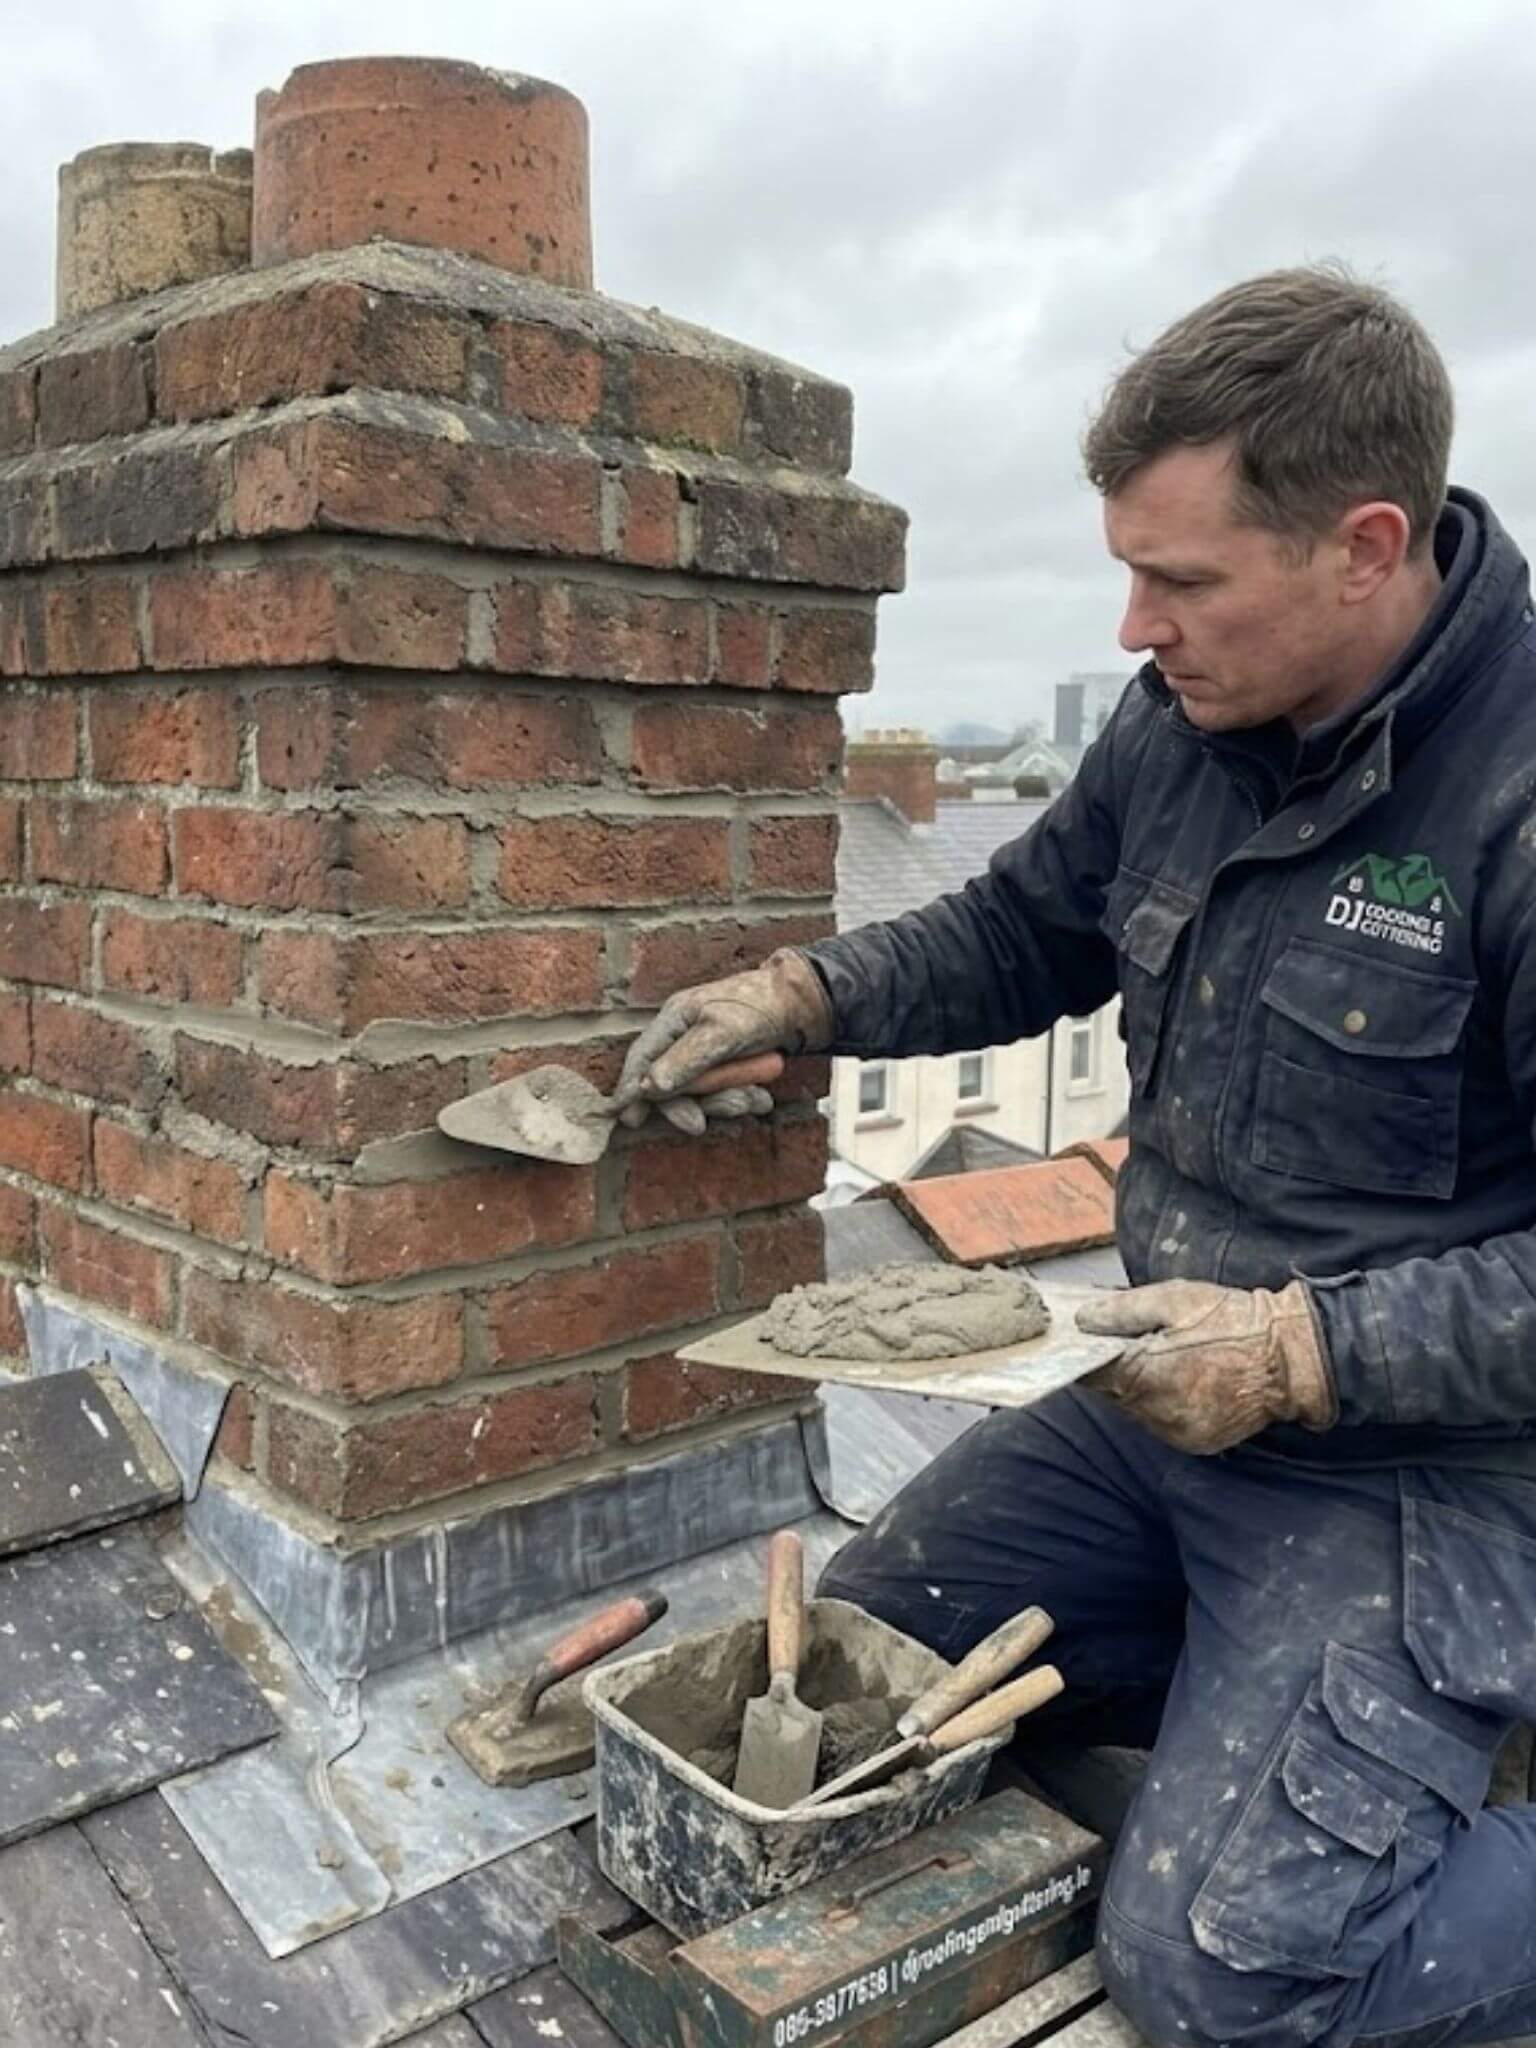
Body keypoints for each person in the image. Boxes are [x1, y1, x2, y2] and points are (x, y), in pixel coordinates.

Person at [619, 266, 1536, 2048]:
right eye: (1126, 571)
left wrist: (1300, 1353)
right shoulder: (1186, 723)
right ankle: (1274, 1720)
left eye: (1179, 579)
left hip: (1421, 1472)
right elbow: (1026, 927)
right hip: (1158, 1407)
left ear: (1364, 546)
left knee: (1228, 1976)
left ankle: (1383, 1798)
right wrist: (802, 988)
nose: (1131, 625)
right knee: (865, 1688)